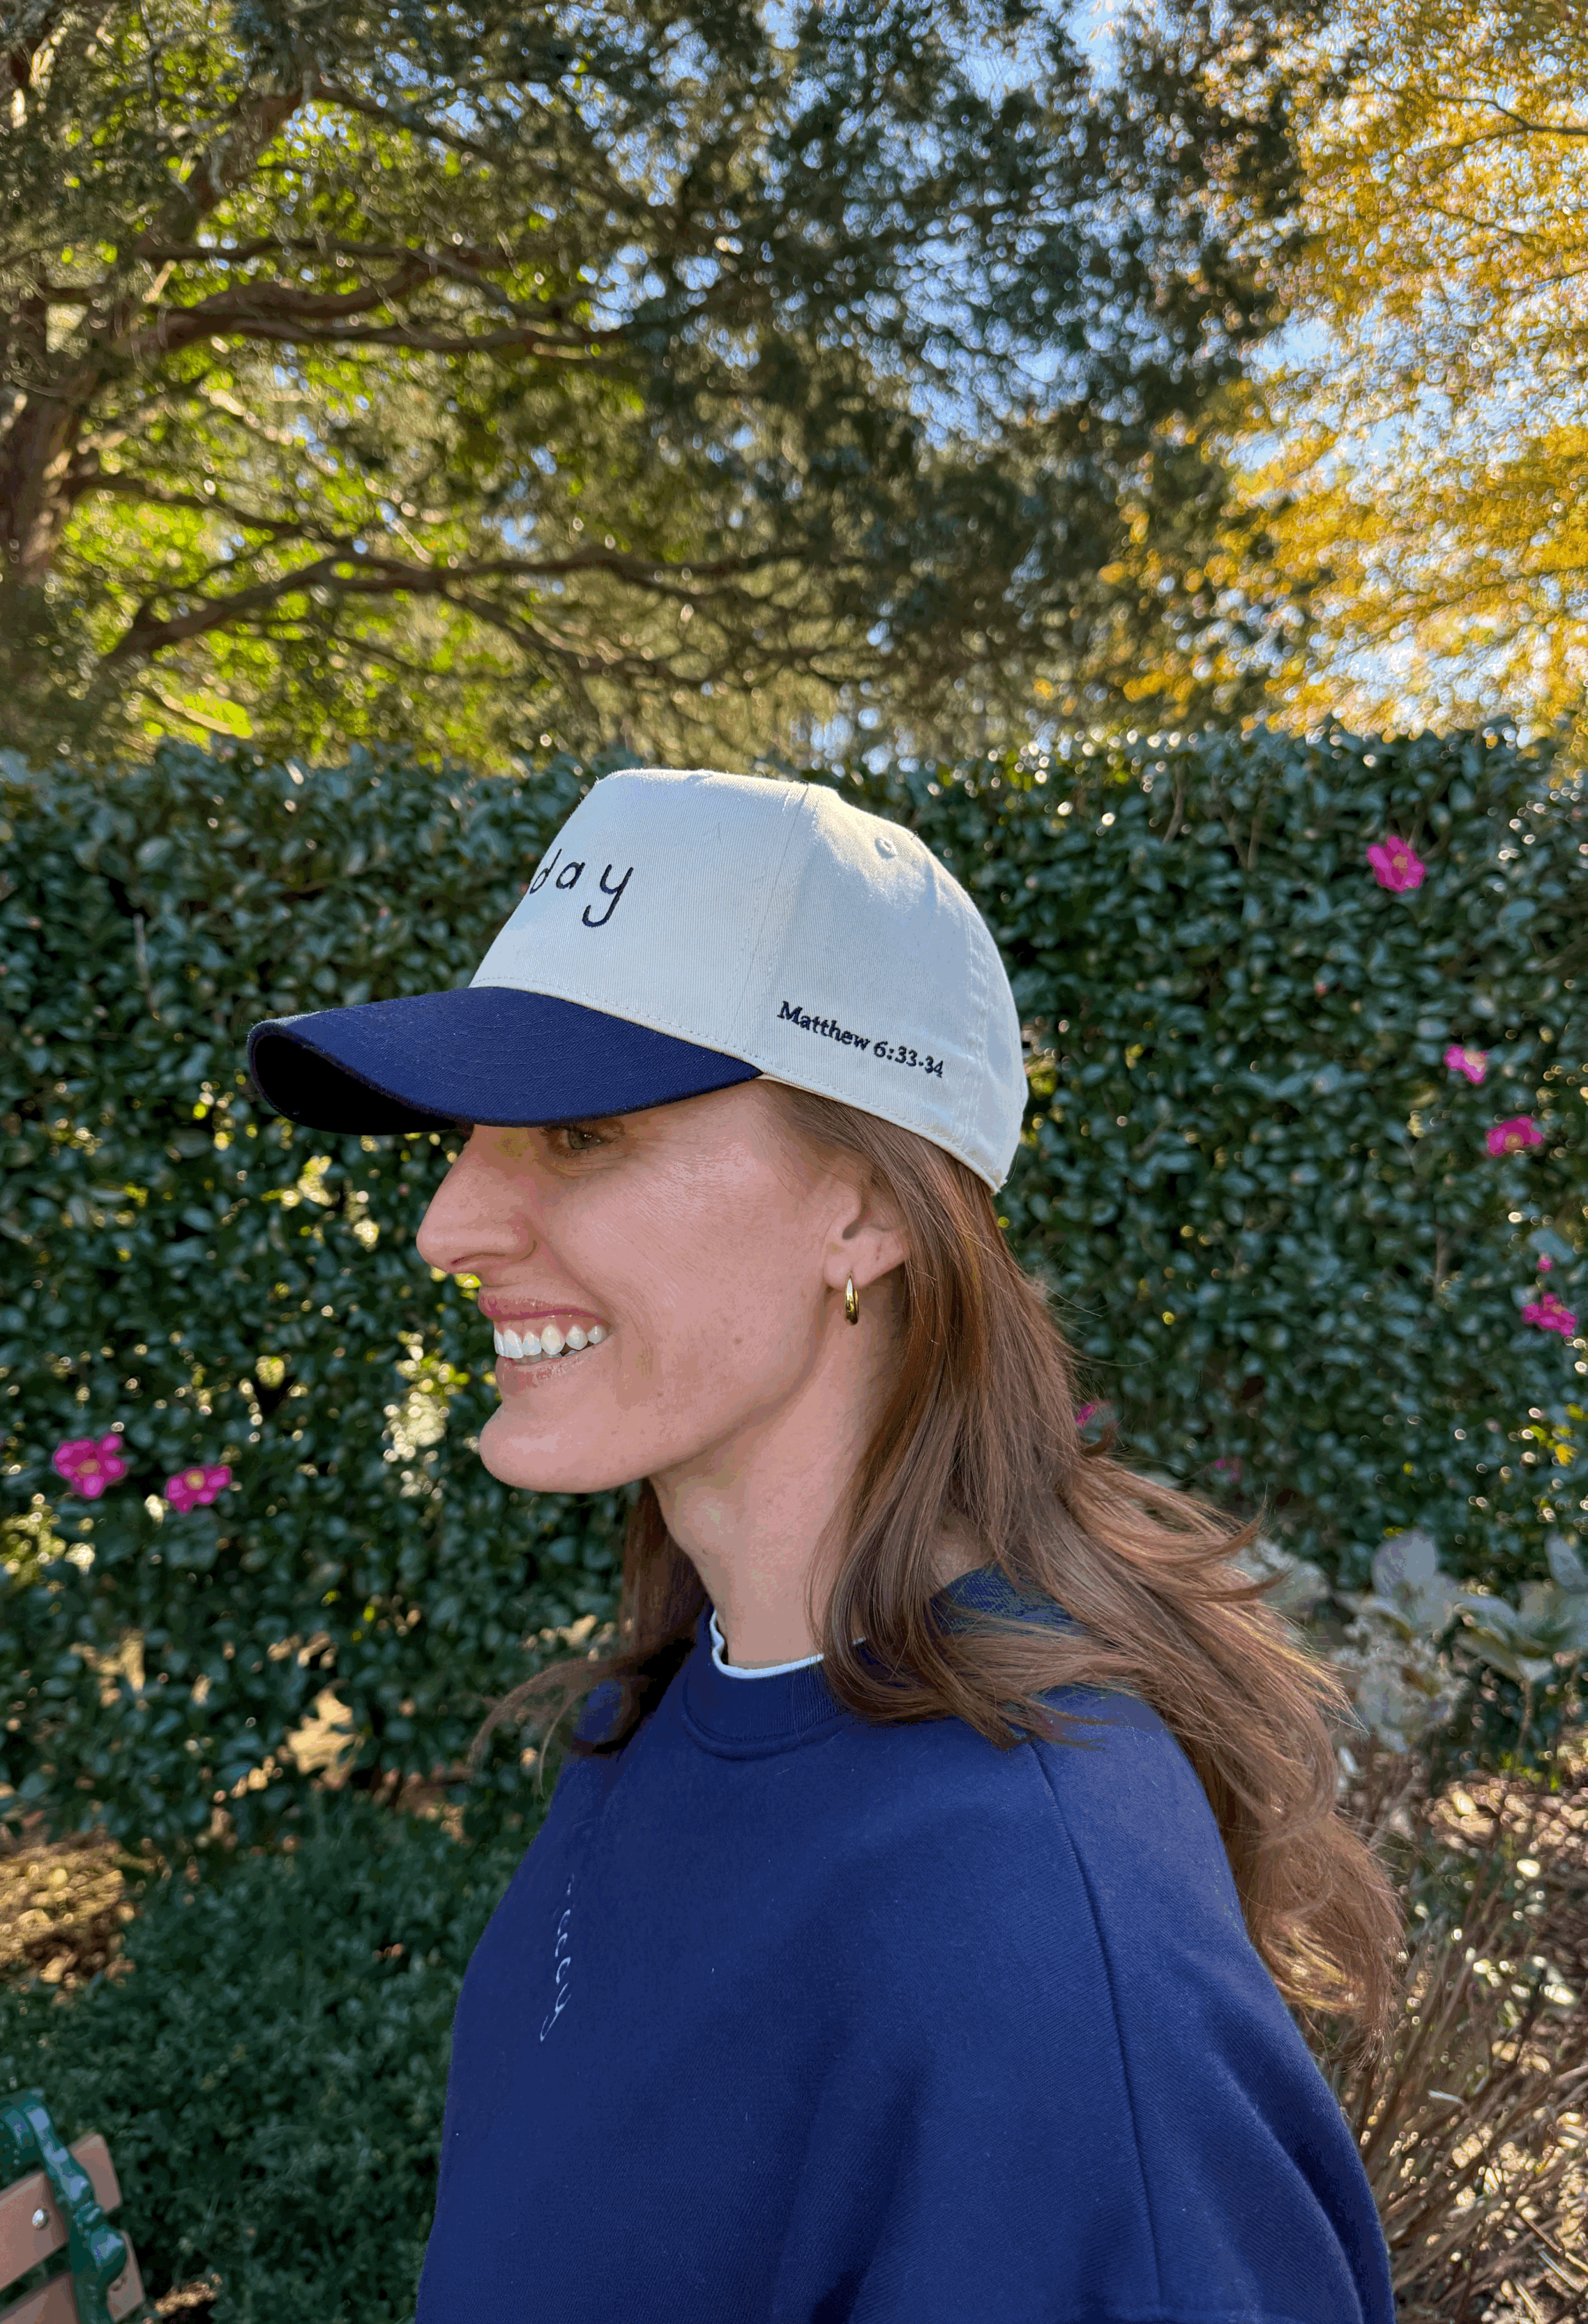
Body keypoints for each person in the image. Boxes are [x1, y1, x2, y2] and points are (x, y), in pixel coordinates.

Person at [247, 766, 1401, 2324]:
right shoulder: (668, 1704)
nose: (446, 1228)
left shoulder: (1032, 1943)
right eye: (467, 1135)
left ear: (864, 1213)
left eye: (579, 1132)